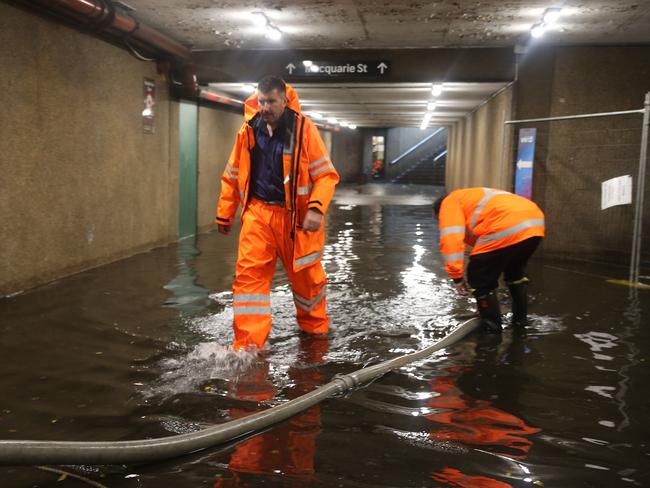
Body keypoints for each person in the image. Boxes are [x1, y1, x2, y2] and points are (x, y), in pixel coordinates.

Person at [215, 76, 339, 350]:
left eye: (271, 101)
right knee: (249, 280)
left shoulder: (303, 130)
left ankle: (315, 334)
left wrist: (317, 208)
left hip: (295, 219)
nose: (266, 107)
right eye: (261, 101)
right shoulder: (247, 130)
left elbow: (326, 176)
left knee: (307, 281)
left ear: (284, 100)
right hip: (258, 215)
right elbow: (232, 174)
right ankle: (248, 345)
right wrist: (225, 212)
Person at [433, 188, 545, 332]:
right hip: (535, 226)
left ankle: (492, 328)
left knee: (478, 276)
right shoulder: (471, 197)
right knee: (515, 274)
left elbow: (451, 239)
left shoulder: (449, 203)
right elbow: (484, 242)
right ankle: (520, 322)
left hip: (506, 225)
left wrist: (457, 277)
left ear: (439, 212)